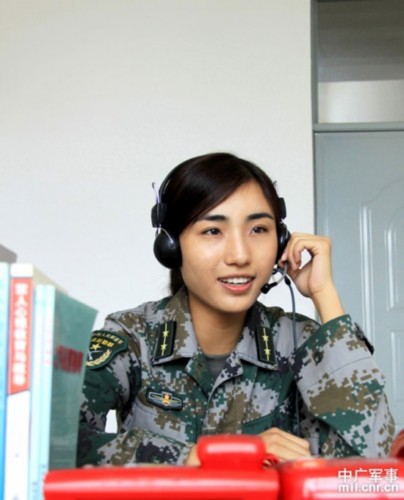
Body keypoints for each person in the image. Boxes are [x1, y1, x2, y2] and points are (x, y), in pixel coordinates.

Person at [77, 152, 394, 467]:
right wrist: (201, 456)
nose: (240, 255)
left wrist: (325, 295)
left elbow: (371, 463)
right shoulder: (134, 337)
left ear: (280, 241)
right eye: (212, 231)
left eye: (258, 230)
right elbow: (58, 439)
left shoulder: (298, 342)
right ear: (171, 246)